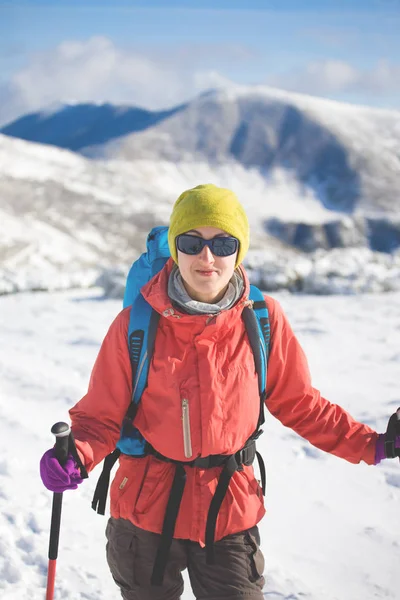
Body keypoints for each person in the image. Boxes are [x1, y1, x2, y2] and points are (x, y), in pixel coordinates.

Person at [40, 183, 400, 600]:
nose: (206, 257)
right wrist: (77, 456)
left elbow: (300, 402)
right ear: (175, 249)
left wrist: (372, 444)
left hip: (228, 509)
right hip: (144, 512)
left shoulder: (262, 320)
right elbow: (100, 416)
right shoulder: (135, 324)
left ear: (239, 250)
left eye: (223, 242)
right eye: (191, 242)